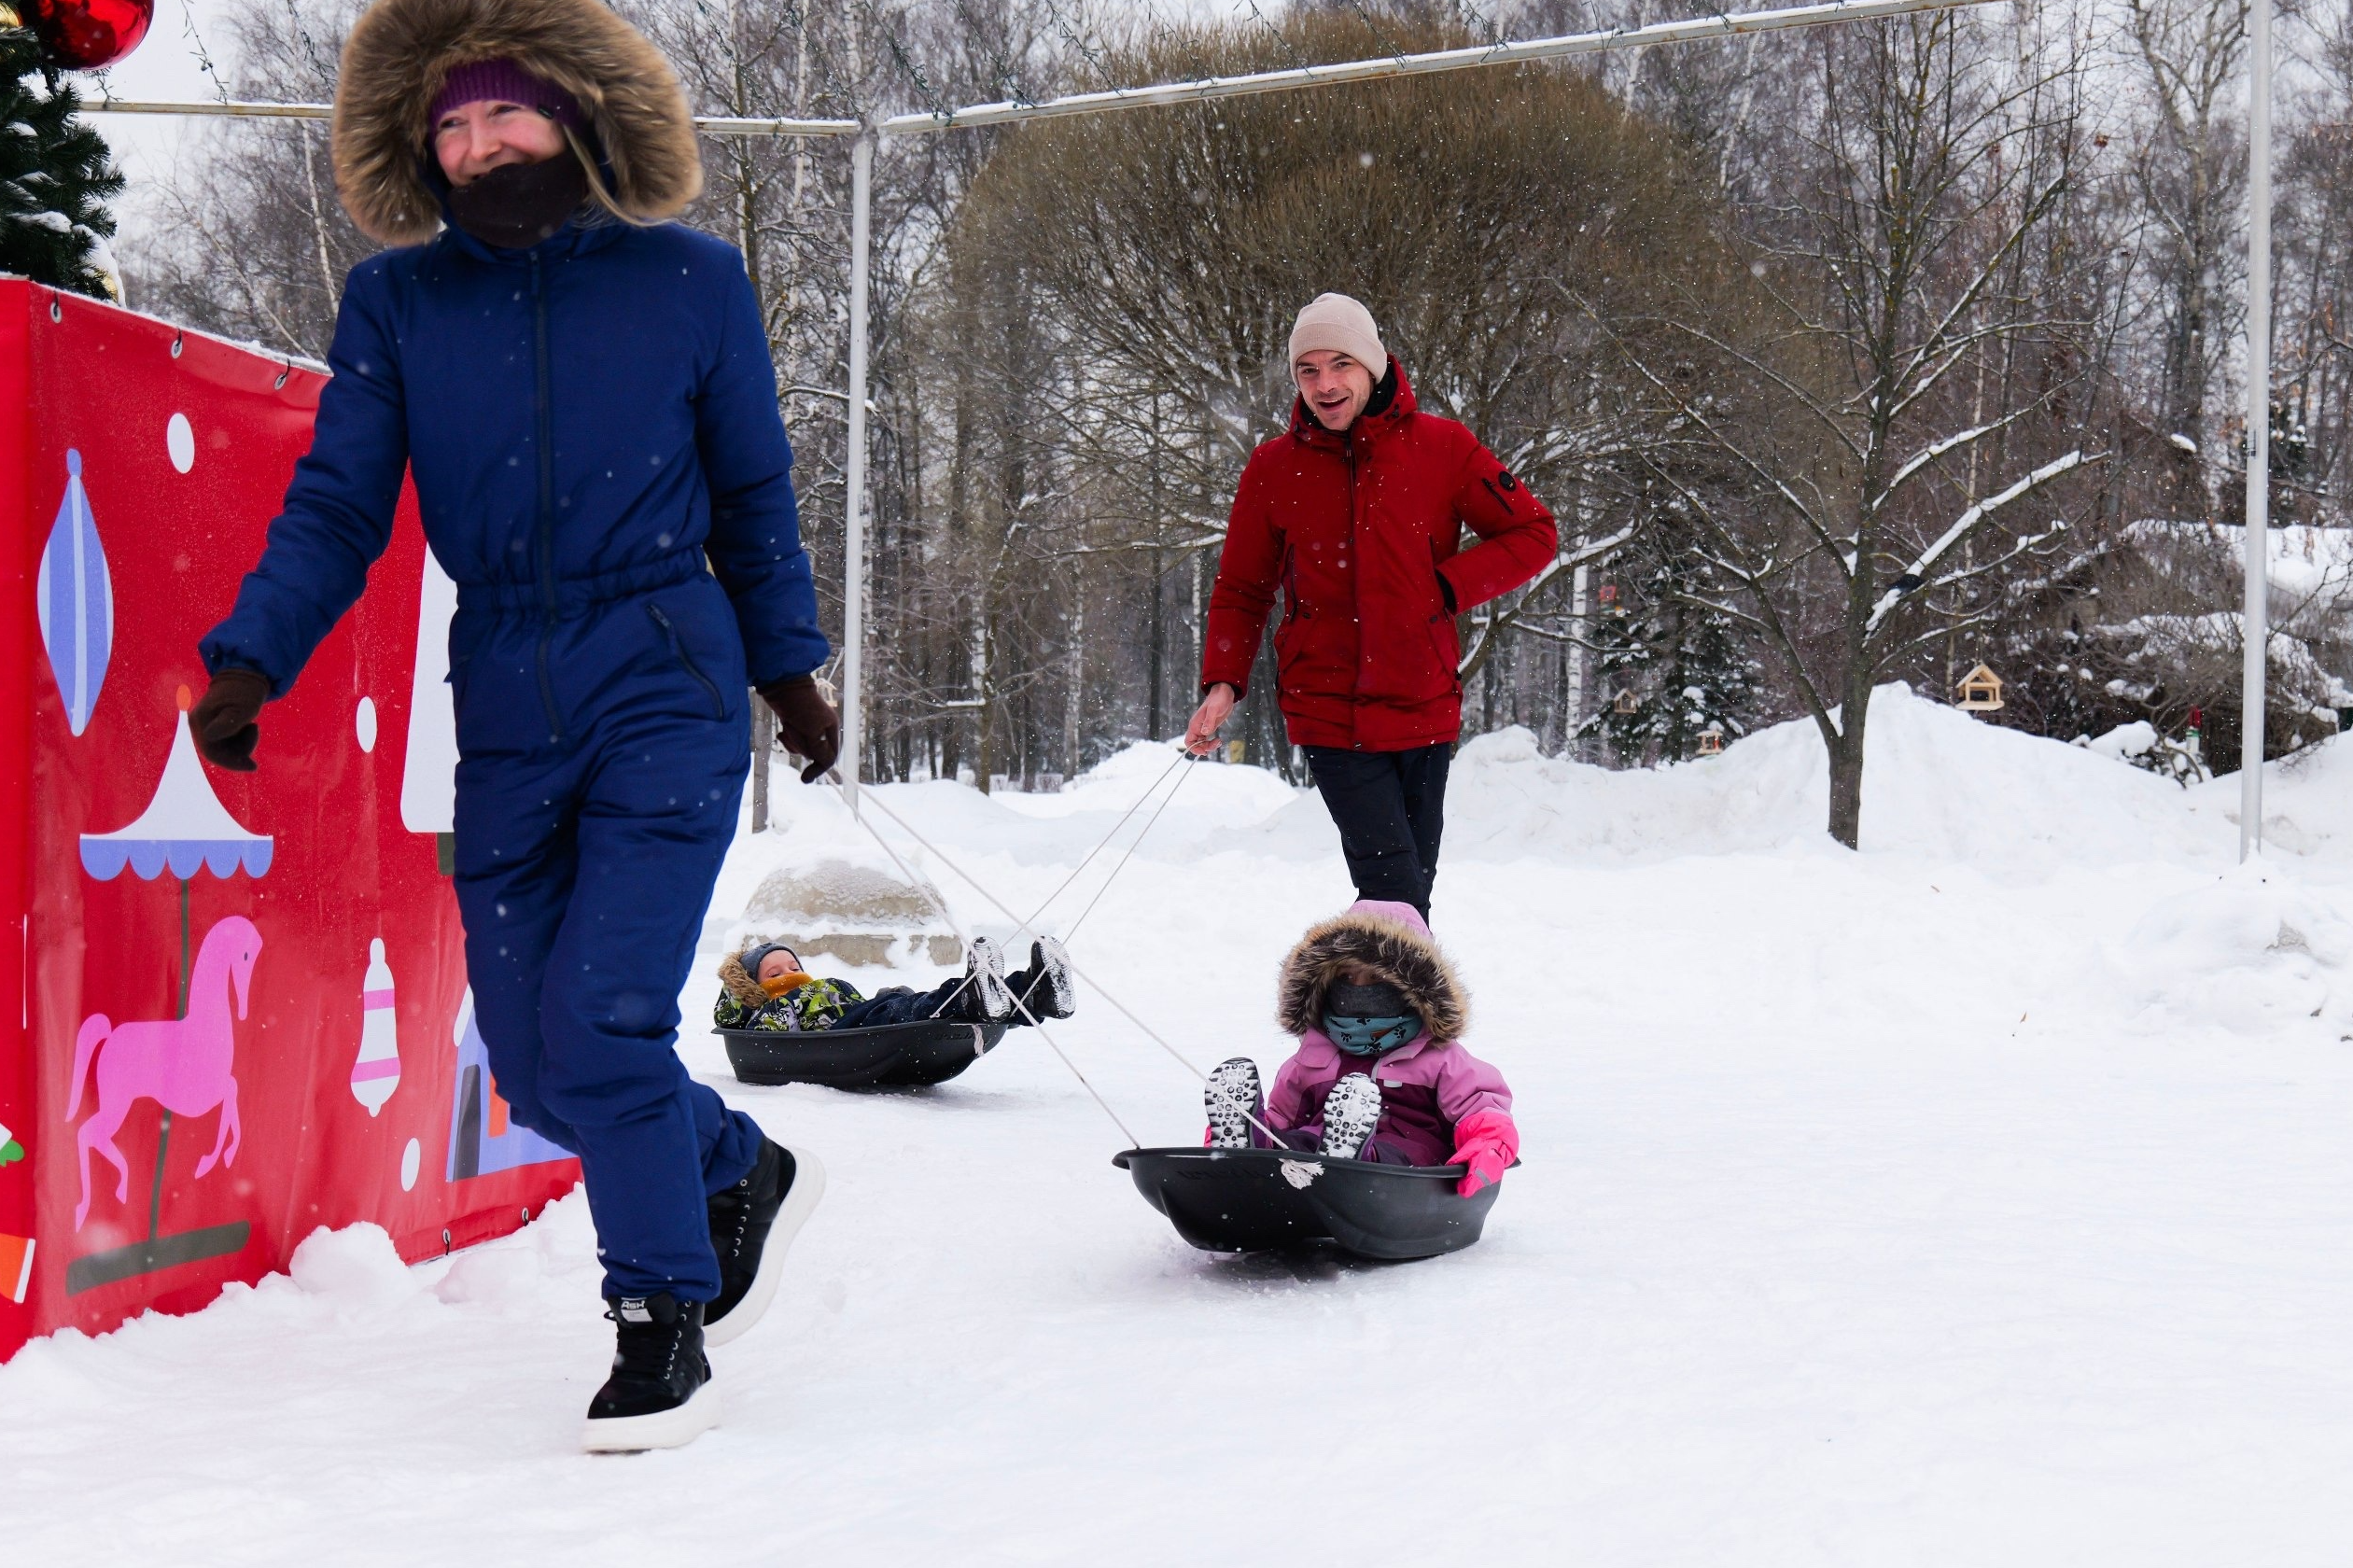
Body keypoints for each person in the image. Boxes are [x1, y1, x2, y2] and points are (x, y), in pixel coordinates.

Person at [187, 0, 838, 1451]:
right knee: (540, 1063)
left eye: (505, 111)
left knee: (605, 1027)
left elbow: (753, 489)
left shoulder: (688, 280)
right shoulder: (401, 304)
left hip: (666, 669)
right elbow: (341, 506)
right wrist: (251, 659)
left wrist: (790, 669)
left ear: (575, 113)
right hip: (505, 687)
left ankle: (659, 1321)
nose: (478, 143)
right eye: (451, 123)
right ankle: (736, 1163)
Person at [1185, 294, 1557, 920]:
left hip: (1423, 702)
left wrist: (1445, 589)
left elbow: (1533, 532)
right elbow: (1242, 588)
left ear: (1373, 366)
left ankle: (1398, 1010)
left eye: (1340, 365)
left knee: (1409, 892)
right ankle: (1383, 1013)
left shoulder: (1443, 448)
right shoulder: (1274, 468)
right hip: (1327, 707)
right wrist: (1223, 683)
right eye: (1308, 370)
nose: (1325, 384)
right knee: (1392, 888)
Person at [1205, 900, 1517, 1197]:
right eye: (1347, 977)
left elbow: (1482, 1110)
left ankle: (1357, 1158)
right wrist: (1257, 1127)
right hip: (1317, 1152)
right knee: (1297, 1143)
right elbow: (1282, 1117)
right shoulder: (1314, 1057)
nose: (1358, 989)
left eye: (1375, 977)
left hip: (1406, 1163)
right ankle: (1246, 1152)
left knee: (1396, 1153)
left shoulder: (1440, 1058)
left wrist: (1488, 1145)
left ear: (1410, 990)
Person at [714, 936, 1076, 1033]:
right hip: (845, 1034)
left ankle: (1036, 992)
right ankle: (973, 994)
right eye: (775, 974)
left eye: (793, 965)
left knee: (914, 1002)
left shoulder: (820, 987)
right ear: (756, 989)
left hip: (861, 1012)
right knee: (907, 1010)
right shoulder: (767, 1012)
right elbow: (753, 1029)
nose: (789, 974)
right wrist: (758, 996)